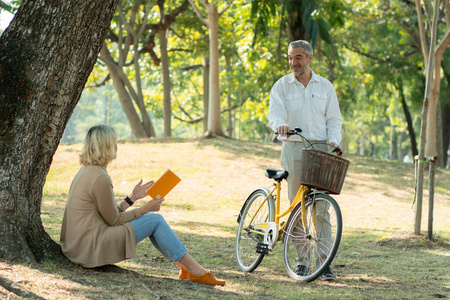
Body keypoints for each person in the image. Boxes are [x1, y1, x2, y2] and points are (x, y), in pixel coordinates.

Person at [60, 125, 225, 286]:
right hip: (90, 247)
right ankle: (196, 271)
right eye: (113, 143)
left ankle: (187, 268)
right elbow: (114, 220)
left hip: (80, 245)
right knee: (155, 220)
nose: (117, 146)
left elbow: (105, 213)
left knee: (153, 219)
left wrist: (131, 198)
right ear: (105, 147)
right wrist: (146, 208)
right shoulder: (100, 177)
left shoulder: (88, 171)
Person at [268, 40, 343, 281]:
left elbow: (334, 118)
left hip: (320, 150)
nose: (293, 63)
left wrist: (333, 142)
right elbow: (275, 113)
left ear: (309, 59)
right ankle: (301, 261)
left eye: (298, 58)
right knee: (297, 206)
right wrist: (280, 124)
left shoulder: (325, 86)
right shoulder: (281, 86)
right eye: (290, 58)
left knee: (321, 207)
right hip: (293, 147)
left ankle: (323, 262)